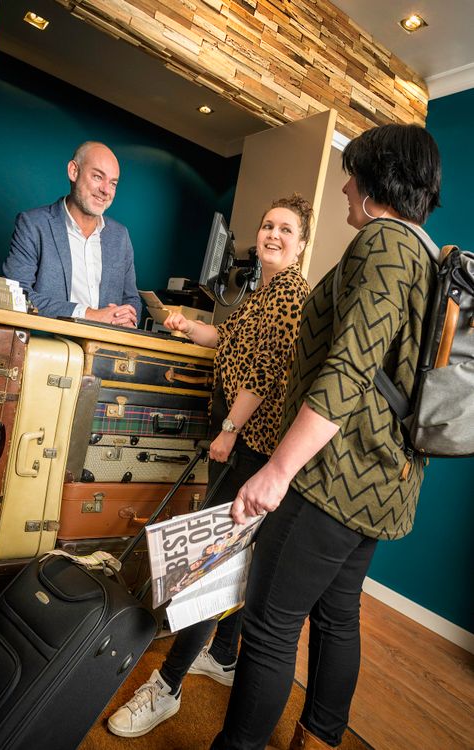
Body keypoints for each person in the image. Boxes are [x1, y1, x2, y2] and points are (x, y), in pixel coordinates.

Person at [209, 123, 442, 750]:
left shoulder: (383, 242)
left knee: (269, 624)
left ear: (375, 182)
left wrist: (278, 469)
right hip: (384, 480)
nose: (344, 187)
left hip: (331, 478)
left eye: (352, 175)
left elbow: (348, 368)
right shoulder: (425, 254)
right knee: (338, 616)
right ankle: (318, 740)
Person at [107, 193, 313, 738]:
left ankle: (168, 686)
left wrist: (230, 428)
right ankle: (223, 655)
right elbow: (226, 339)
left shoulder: (292, 295)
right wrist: (184, 326)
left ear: (301, 244)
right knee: (237, 557)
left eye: (285, 230)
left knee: (211, 564)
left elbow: (266, 371)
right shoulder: (261, 292)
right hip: (244, 441)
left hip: (255, 447)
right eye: (267, 226)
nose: (272, 235)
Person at [2, 141, 140, 326]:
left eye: (113, 183)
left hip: (105, 343)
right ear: (73, 171)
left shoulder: (120, 236)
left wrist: (128, 318)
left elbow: (131, 299)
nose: (106, 190)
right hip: (47, 341)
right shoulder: (33, 224)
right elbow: (16, 294)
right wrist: (89, 314)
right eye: (98, 177)